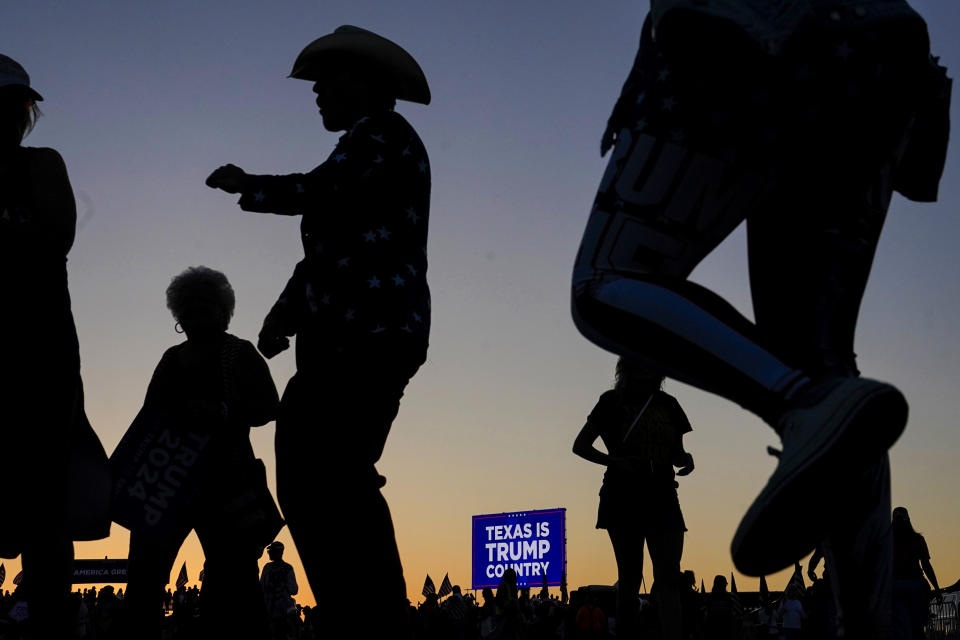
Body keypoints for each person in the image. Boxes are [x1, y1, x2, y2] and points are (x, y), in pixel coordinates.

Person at [571, 0, 951, 578]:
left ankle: (798, 402)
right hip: (876, 44)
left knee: (605, 281)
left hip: (736, 37)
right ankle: (868, 622)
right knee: (828, 366)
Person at [205, 25, 432, 636]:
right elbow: (326, 250)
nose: (317, 94)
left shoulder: (382, 136)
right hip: (352, 336)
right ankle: (360, 611)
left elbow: (321, 196)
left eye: (327, 81)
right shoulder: (364, 142)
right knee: (322, 472)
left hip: (367, 336)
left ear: (367, 84)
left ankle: (368, 614)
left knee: (326, 473)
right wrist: (284, 317)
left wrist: (248, 184)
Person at [0, 53, 111, 640]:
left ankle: (51, 628)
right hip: (35, 355)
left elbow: (53, 238)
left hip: (39, 357)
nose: (15, 115)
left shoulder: (41, 164)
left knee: (46, 505)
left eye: (15, 106)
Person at [119, 267, 279, 640]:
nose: (194, 314)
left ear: (223, 311)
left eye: (203, 306)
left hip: (227, 483)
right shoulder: (171, 359)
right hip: (165, 484)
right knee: (144, 578)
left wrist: (223, 411)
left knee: (234, 582)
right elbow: (149, 418)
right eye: (187, 308)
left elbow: (269, 406)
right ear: (179, 316)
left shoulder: (239, 353)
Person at [574, 358, 694, 639]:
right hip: (623, 492)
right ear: (627, 366)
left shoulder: (669, 404)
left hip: (663, 490)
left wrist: (685, 459)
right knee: (630, 578)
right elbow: (580, 445)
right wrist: (614, 461)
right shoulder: (611, 401)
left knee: (668, 576)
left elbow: (677, 451)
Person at [892, 507, 941, 640]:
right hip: (915, 585)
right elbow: (926, 565)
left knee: (901, 627)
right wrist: (936, 588)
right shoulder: (917, 539)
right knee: (917, 626)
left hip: (895, 587)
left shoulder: (887, 541)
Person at [260, 541, 298, 640]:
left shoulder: (267, 568)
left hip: (274, 612)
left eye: (271, 551)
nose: (269, 553)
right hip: (280, 611)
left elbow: (261, 587)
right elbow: (294, 589)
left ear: (277, 552)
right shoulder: (287, 568)